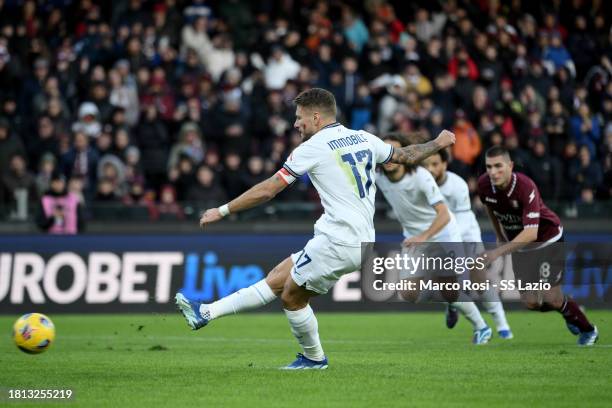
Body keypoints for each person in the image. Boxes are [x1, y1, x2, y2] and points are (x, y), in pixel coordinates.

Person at [175, 88, 456, 369]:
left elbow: (269, 189)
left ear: (317, 117)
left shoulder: (313, 147)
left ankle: (314, 358)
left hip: (339, 240)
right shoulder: (364, 138)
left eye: (300, 118)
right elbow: (405, 155)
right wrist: (438, 142)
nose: (296, 124)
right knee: (277, 278)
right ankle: (206, 312)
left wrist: (223, 210)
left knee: (292, 297)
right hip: (353, 238)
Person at [377, 133, 492, 345]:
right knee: (408, 293)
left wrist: (424, 237)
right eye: (385, 152)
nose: (390, 157)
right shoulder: (378, 176)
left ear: (406, 153)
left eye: (395, 152)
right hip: (414, 238)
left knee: (449, 291)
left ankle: (482, 327)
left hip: (442, 234)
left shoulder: (421, 176)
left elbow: (444, 214)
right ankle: (445, 294)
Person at [477, 146, 598, 346]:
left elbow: (531, 233)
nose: (493, 171)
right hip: (521, 247)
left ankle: (589, 330)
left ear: (510, 166)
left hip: (547, 239)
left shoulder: (525, 187)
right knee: (531, 303)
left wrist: (497, 252)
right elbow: (490, 206)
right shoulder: (484, 185)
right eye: (489, 166)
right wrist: (499, 235)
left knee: (551, 296)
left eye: (498, 166)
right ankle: (569, 308)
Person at [422, 149, 512, 339]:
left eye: (435, 164)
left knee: (479, 281)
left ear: (445, 164)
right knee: (447, 286)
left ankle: (502, 325)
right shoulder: (420, 185)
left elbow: (461, 221)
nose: (430, 169)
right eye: (426, 164)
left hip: (466, 235)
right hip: (439, 238)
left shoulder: (457, 185)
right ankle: (454, 306)